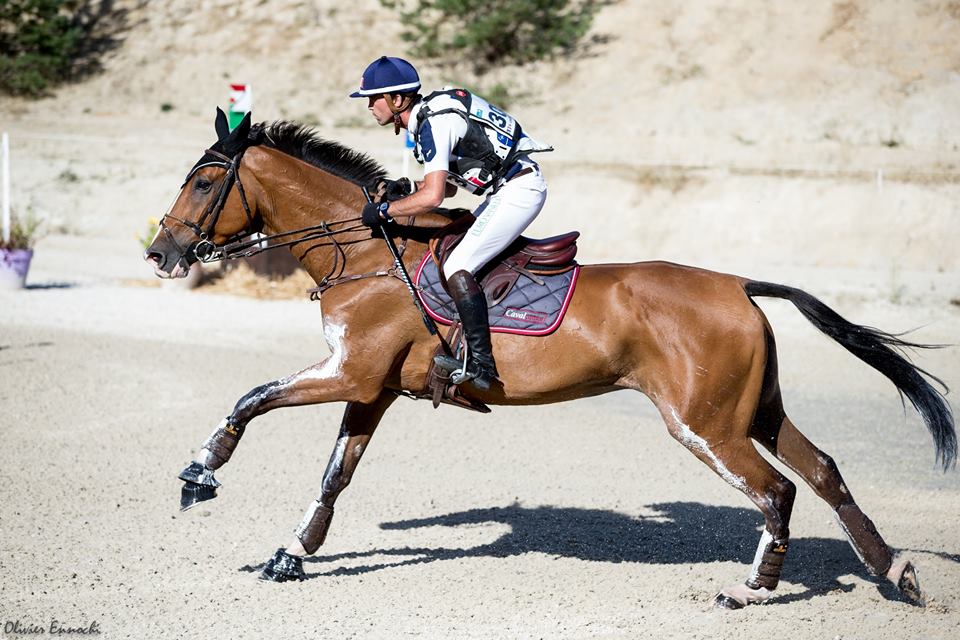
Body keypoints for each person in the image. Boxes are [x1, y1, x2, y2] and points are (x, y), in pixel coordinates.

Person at [350, 56, 552, 391]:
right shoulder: (430, 116)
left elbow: (433, 198)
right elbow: (446, 186)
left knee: (458, 263)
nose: (369, 106)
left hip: (519, 190)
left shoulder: (434, 124)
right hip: (510, 188)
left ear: (397, 100)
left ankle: (481, 366)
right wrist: (406, 190)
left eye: (374, 98)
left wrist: (386, 211)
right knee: (452, 250)